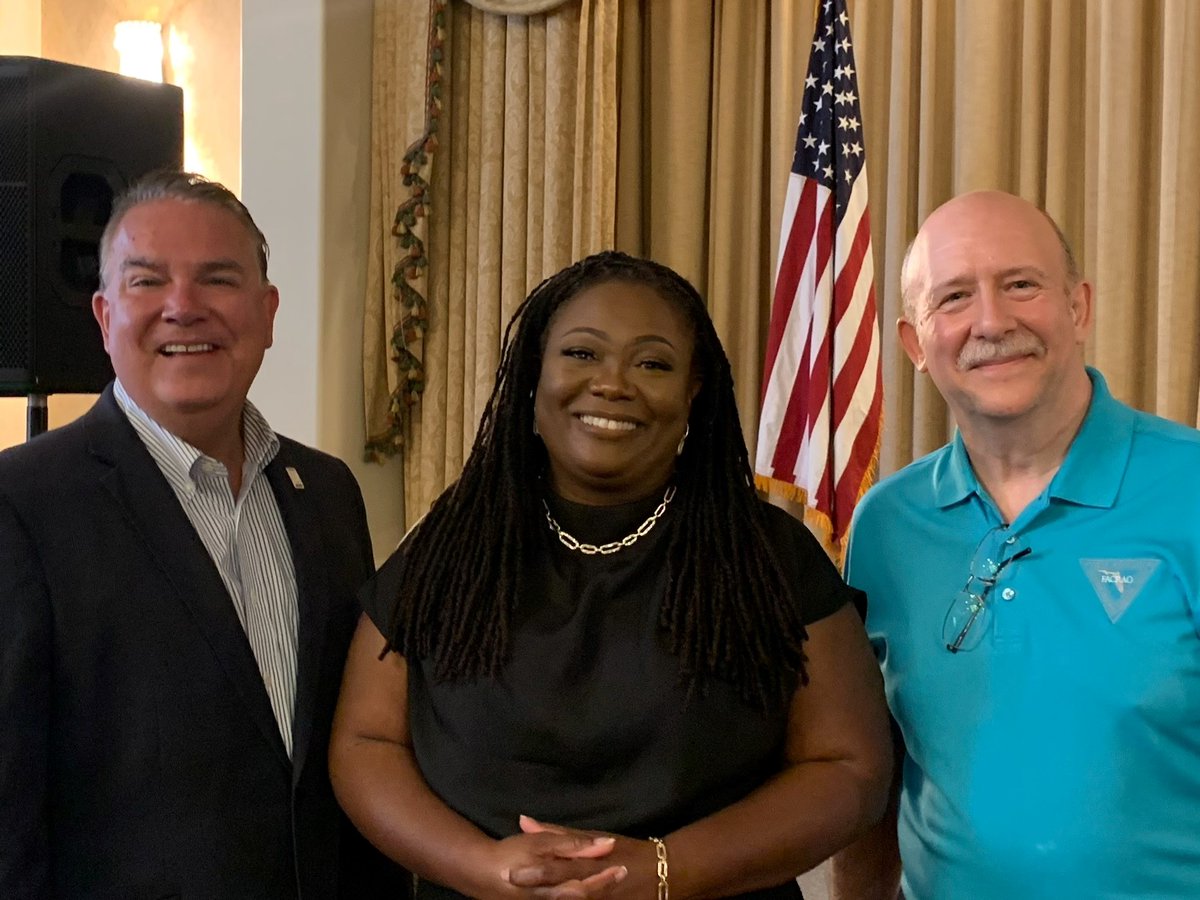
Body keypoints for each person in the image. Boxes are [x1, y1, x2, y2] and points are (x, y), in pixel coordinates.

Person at [330, 250, 893, 899]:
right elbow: (365, 742)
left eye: (653, 363)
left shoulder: (769, 559)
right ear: (531, 375)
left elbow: (849, 768)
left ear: (694, 389)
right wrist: (478, 868)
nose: (613, 384)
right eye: (580, 354)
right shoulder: (450, 546)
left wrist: (660, 871)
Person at [0, 171, 405, 897]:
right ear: (103, 315)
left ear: (268, 311)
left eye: (217, 280)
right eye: (147, 282)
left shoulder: (330, 495)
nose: (182, 309)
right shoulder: (21, 505)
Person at [831, 190, 1200, 900]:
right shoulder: (885, 524)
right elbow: (875, 767)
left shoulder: (1188, 486)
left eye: (1021, 285)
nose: (991, 322)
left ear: (1079, 308)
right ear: (914, 344)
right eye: (954, 297)